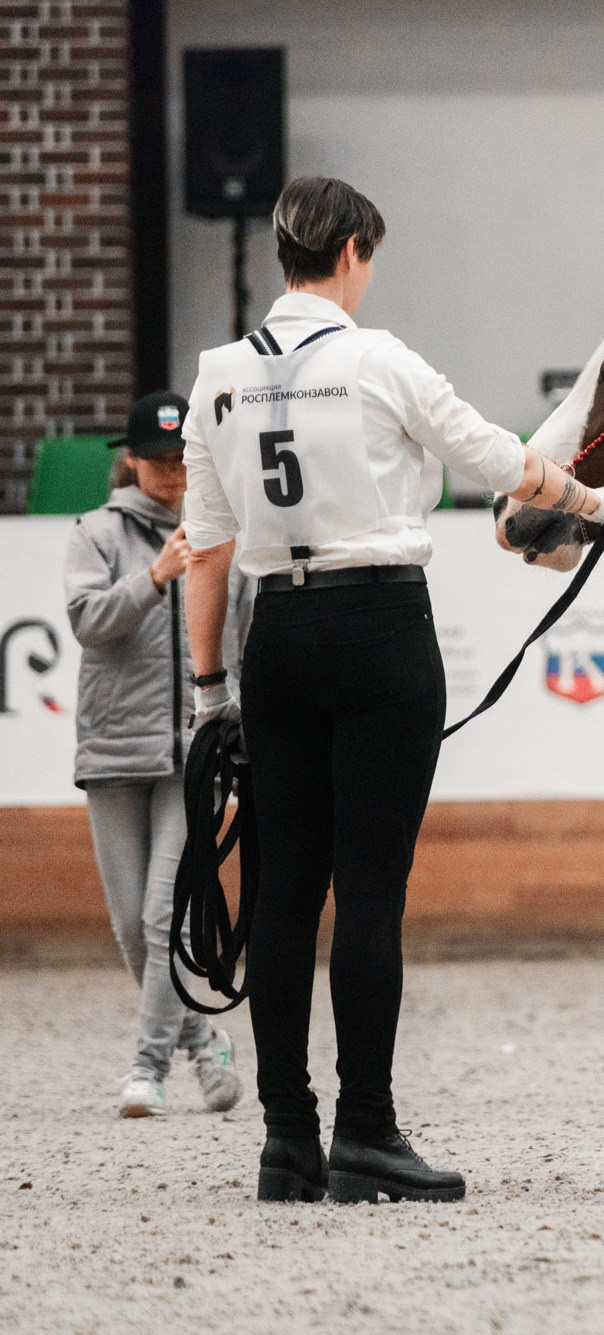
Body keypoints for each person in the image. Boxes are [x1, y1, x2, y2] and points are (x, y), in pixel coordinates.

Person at [179, 175, 604, 1204]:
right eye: (369, 255)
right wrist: (595, 501)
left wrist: (212, 695)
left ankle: (287, 1143)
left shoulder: (216, 375)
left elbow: (205, 551)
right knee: (371, 889)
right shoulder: (376, 358)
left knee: (285, 891)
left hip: (277, 637)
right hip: (380, 625)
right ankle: (368, 1132)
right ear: (348, 252)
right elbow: (499, 462)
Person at [63, 390, 251, 1120]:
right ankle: (204, 1042)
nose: (173, 472)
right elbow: (86, 621)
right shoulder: (96, 533)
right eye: (159, 460)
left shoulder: (226, 532)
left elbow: (245, 631)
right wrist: (154, 578)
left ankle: (147, 1069)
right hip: (113, 749)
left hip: (196, 752)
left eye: (182, 459)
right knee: (127, 926)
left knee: (161, 916)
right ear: (132, 461)